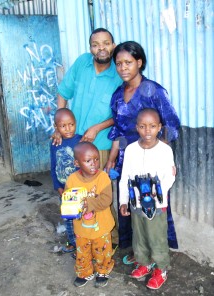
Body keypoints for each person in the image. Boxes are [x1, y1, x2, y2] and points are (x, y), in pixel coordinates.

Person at [105, 41, 180, 251]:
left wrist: (157, 152)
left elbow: (171, 125)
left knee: (153, 203)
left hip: (151, 160)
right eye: (118, 64)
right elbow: (118, 131)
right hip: (126, 159)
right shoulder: (118, 95)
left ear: (139, 62)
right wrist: (111, 159)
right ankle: (136, 251)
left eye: (128, 62)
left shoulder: (153, 91)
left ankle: (158, 251)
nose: (123, 68)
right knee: (128, 203)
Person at [55, 27, 122, 246]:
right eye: (96, 44)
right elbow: (63, 94)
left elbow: (120, 115)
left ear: (112, 45)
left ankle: (107, 240)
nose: (101, 48)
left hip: (98, 146)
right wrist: (58, 126)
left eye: (106, 43)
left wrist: (97, 127)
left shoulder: (118, 74)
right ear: (90, 47)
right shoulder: (82, 63)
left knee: (100, 196)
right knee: (74, 194)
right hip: (74, 143)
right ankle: (79, 240)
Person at [119, 108, 176, 289]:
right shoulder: (130, 150)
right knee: (140, 234)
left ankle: (161, 268)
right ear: (137, 128)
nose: (147, 131)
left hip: (157, 205)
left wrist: (159, 192)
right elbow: (125, 177)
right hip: (136, 203)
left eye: (152, 126)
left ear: (159, 127)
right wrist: (123, 200)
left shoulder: (165, 150)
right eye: (143, 126)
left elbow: (170, 176)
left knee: (156, 236)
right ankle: (144, 262)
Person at [65, 142, 114, 288]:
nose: (94, 164)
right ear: (76, 162)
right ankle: (85, 272)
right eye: (88, 161)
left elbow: (106, 200)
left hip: (102, 226)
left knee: (103, 251)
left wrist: (88, 204)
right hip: (81, 228)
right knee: (82, 252)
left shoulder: (103, 177)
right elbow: (68, 201)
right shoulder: (72, 180)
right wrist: (70, 207)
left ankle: (103, 271)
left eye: (96, 159)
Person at [50, 108, 82, 252]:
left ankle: (82, 245)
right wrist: (58, 187)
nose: (68, 129)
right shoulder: (55, 143)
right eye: (63, 126)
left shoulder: (81, 141)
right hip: (63, 190)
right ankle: (72, 243)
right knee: (68, 219)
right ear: (56, 127)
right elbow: (53, 166)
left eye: (71, 124)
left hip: (79, 190)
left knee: (81, 219)